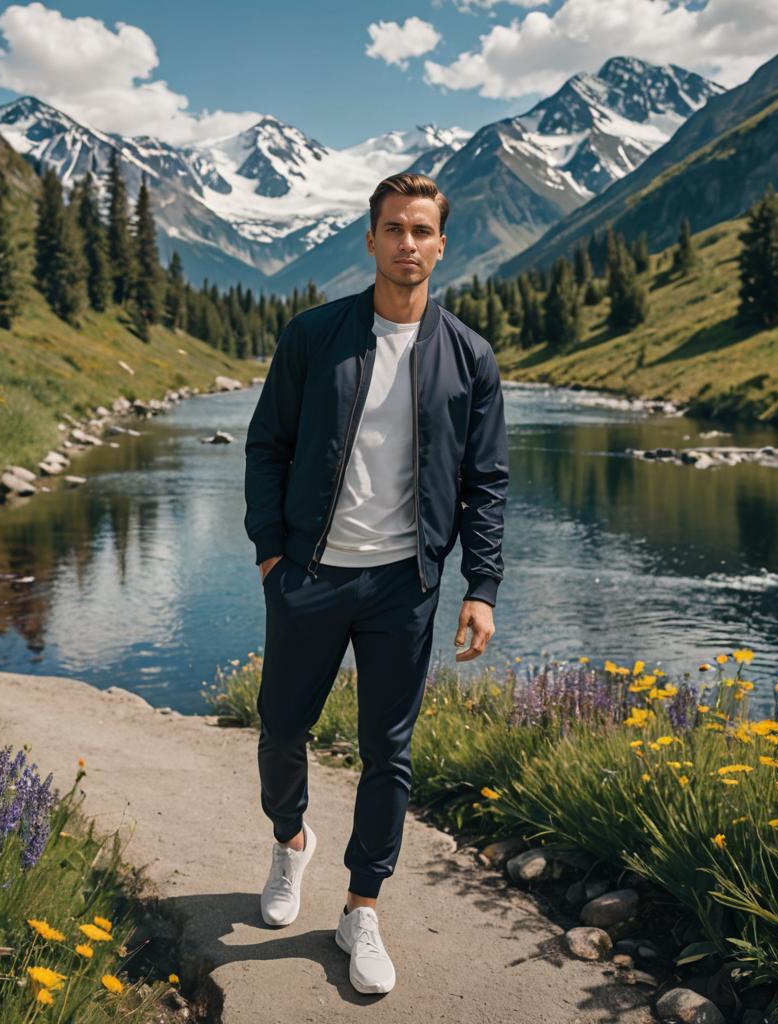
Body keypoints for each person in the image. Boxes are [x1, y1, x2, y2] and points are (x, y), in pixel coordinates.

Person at [243, 171, 508, 996]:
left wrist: (481, 585)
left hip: (405, 584)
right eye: (393, 229)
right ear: (371, 239)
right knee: (282, 730)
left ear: (440, 242)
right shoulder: (314, 336)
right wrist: (269, 554)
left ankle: (362, 906)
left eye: (421, 230)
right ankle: (290, 841)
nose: (407, 244)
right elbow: (267, 446)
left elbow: (486, 481)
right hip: (311, 575)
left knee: (387, 753)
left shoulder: (470, 356)